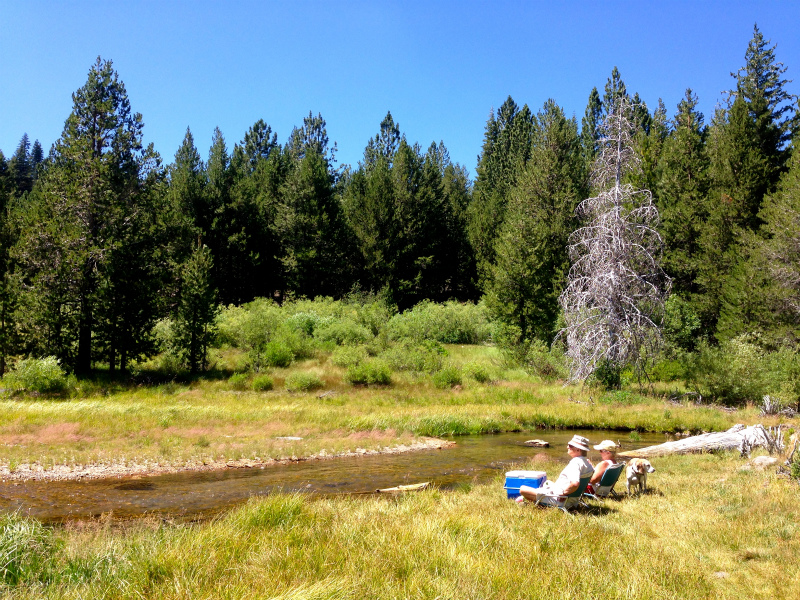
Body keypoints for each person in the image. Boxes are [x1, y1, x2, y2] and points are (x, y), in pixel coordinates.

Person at [516, 435, 594, 505]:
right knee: (547, 483)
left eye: (570, 446)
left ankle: (533, 503)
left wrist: (563, 494)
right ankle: (532, 501)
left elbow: (575, 484)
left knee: (523, 489)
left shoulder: (575, 463)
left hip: (561, 500)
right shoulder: (587, 464)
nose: (567, 447)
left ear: (578, 450)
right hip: (574, 500)